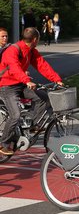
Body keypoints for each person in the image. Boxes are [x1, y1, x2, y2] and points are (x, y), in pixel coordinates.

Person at [0, 28, 64, 157]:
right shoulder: (13, 50)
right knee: (15, 115)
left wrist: (57, 80)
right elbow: (14, 67)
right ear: (35, 39)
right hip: (7, 86)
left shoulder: (31, 51)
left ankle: (34, 127)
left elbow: (42, 65)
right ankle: (3, 143)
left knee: (44, 98)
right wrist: (27, 80)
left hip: (20, 84)